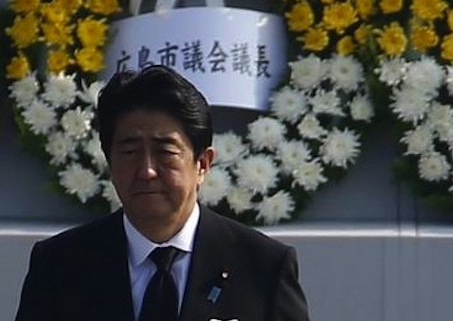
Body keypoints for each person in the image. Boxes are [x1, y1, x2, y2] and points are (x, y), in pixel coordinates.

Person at [14, 65, 310, 321]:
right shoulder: (60, 265)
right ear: (110, 162)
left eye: (165, 152)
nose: (147, 171)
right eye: (129, 151)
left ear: (203, 164)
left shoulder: (264, 267)